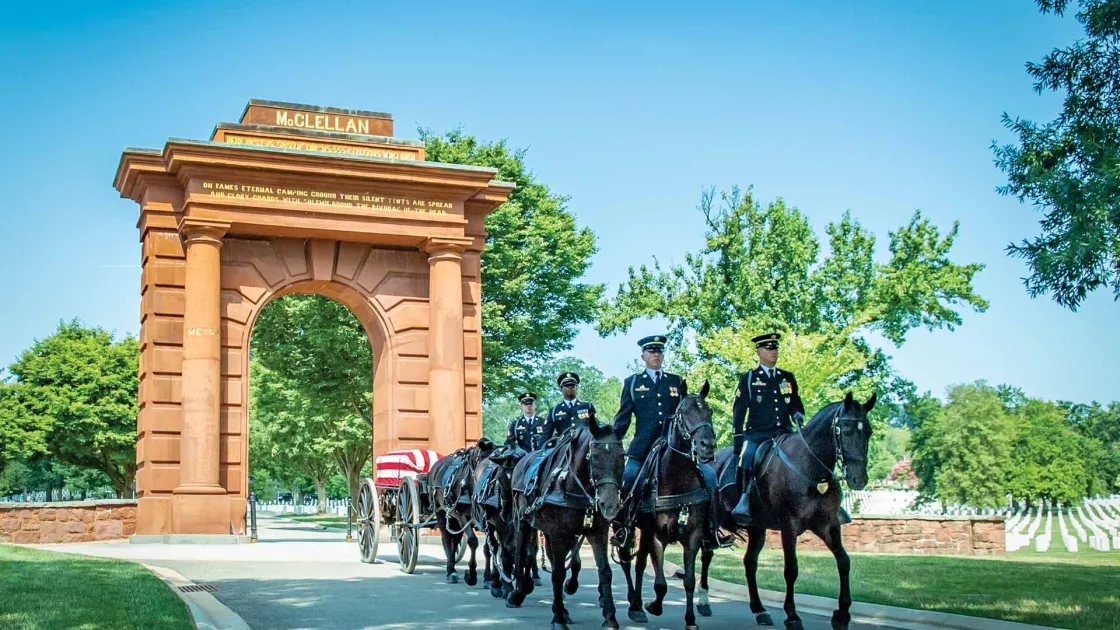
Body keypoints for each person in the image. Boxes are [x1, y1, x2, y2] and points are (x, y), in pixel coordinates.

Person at [613, 335, 730, 547]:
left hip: (675, 449)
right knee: (628, 479)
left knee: (711, 477)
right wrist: (613, 442)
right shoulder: (633, 383)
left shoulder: (675, 381)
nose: (656, 354)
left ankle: (712, 530)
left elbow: (685, 413)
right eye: (651, 351)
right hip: (643, 449)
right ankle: (625, 529)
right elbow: (623, 419)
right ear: (643, 356)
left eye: (659, 351)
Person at [730, 333, 806, 524]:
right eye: (769, 349)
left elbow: (796, 402)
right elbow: (739, 411)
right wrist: (738, 438)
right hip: (757, 435)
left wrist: (798, 413)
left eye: (775, 348)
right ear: (759, 352)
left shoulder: (786, 377)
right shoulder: (749, 378)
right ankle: (745, 498)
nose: (774, 352)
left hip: (784, 433)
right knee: (747, 458)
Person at [543, 372, 596, 440]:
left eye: (573, 385)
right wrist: (540, 449)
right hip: (562, 445)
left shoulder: (587, 406)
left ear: (576, 387)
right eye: (567, 386)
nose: (570, 387)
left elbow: (596, 427)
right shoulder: (554, 411)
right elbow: (546, 435)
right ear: (561, 389)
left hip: (585, 443)